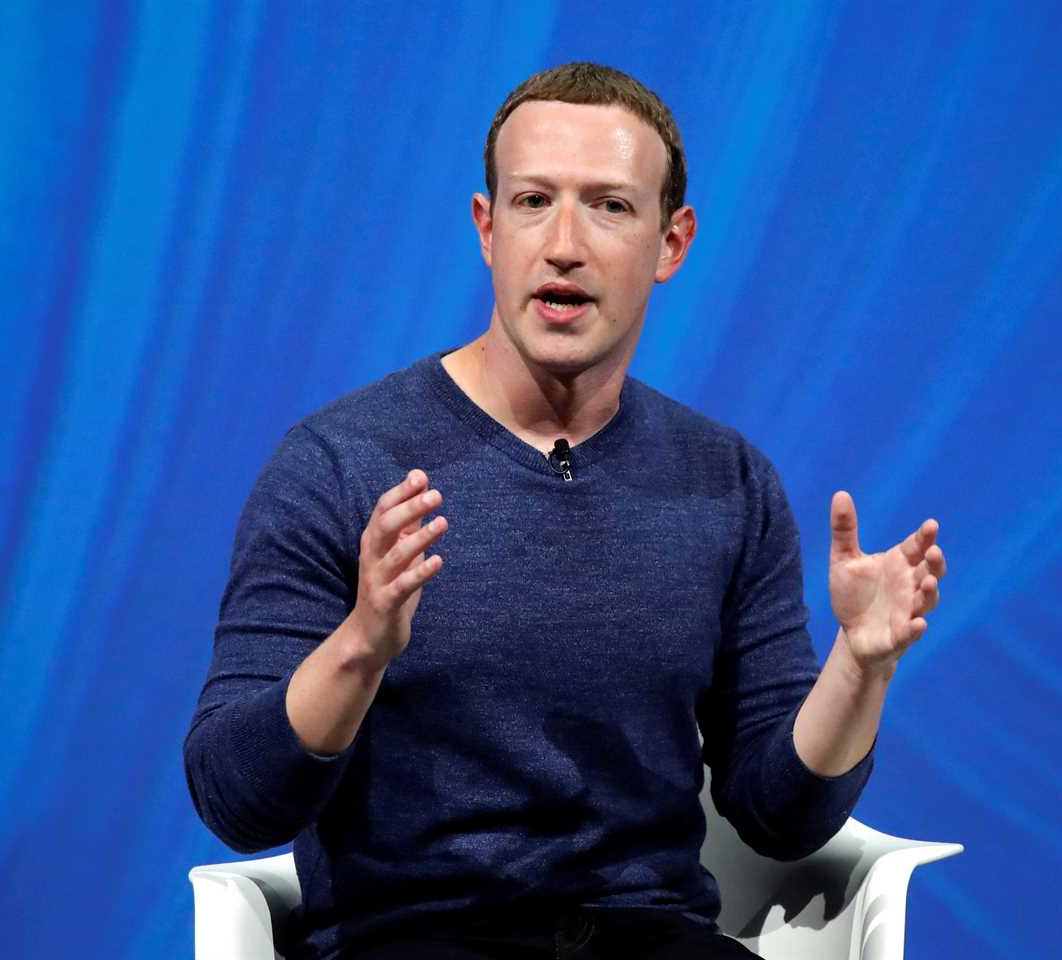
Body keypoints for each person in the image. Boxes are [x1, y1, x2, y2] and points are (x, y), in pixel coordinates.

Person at [184, 62, 947, 960]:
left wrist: (860, 669)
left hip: (650, 937)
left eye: (611, 207)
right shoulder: (341, 464)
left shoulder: (727, 483)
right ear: (487, 229)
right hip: (413, 939)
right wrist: (360, 646)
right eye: (534, 201)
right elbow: (236, 799)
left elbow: (780, 818)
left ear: (672, 242)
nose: (564, 245)